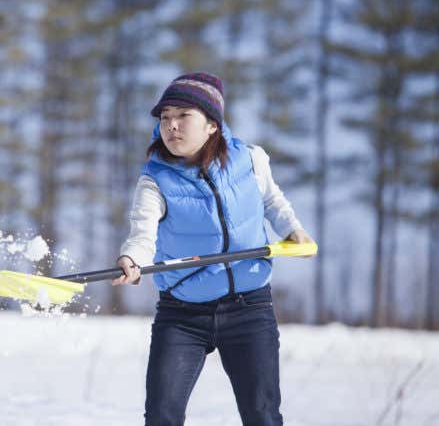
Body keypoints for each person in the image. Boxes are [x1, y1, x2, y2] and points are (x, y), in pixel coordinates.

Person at [113, 72, 315, 426]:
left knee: (262, 414)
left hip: (249, 307)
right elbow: (142, 232)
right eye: (165, 118)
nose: (171, 126)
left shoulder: (252, 160)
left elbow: (272, 202)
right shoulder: (155, 179)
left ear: (212, 125)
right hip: (182, 313)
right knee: (162, 414)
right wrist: (132, 260)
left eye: (183, 116)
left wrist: (293, 229)